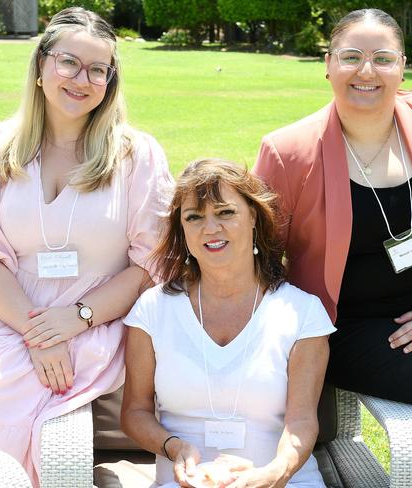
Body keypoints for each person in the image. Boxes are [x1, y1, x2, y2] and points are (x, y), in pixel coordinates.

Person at [0, 7, 173, 487]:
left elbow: (152, 262)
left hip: (97, 317)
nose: (81, 79)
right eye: (69, 62)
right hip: (7, 311)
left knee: (14, 393)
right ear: (42, 66)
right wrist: (36, 331)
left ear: (110, 81)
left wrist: (78, 318)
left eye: (98, 70)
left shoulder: (136, 154)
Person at [253, 8, 412, 458]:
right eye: (351, 56)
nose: (366, 71)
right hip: (346, 324)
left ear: (403, 66)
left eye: (383, 58)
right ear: (328, 65)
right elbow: (257, 254)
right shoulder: (287, 152)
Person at [120, 159, 336, 487]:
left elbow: (302, 420)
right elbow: (135, 413)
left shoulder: (302, 313)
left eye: (225, 213)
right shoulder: (152, 311)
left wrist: (275, 472)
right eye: (194, 217)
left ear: (254, 217)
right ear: (182, 230)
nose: (210, 228)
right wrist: (175, 448)